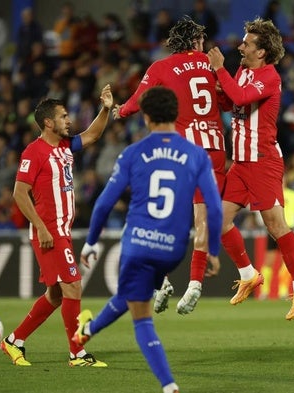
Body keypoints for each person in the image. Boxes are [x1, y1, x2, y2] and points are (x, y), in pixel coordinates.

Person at [74, 86, 222, 393]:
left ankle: (168, 385)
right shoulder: (196, 154)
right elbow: (214, 206)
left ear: (146, 117)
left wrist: (90, 242)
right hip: (173, 250)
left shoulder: (133, 153)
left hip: (139, 243)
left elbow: (103, 203)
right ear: (175, 114)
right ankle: (86, 332)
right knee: (132, 294)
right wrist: (215, 251)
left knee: (141, 316)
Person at [113, 17, 227, 315]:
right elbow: (227, 99)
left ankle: (161, 281)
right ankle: (194, 285)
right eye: (201, 40)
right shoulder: (212, 63)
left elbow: (137, 102)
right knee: (202, 219)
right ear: (195, 42)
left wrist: (119, 111)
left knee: (159, 216)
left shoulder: (161, 67)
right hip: (215, 149)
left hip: (184, 153)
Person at [206, 17, 294, 320]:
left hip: (263, 161)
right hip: (240, 162)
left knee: (276, 227)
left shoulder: (269, 76)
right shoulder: (243, 70)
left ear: (262, 52)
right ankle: (250, 274)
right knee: (219, 221)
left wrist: (218, 69)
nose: (240, 47)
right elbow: (232, 102)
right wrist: (209, 88)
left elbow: (241, 96)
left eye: (247, 43)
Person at [0, 84, 114, 367]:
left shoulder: (65, 146)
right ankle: (78, 354)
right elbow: (19, 193)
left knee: (55, 294)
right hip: (49, 231)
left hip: (60, 230)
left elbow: (94, 134)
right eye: (63, 117)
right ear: (48, 122)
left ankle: (14, 341)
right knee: (73, 285)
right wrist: (41, 227)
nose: (69, 120)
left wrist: (106, 108)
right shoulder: (33, 152)